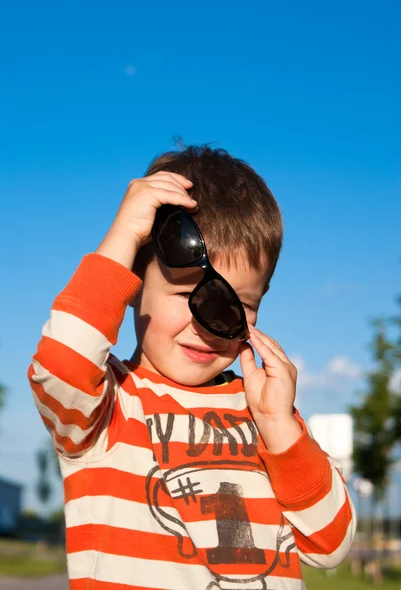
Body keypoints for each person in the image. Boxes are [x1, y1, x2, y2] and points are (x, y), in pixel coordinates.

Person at [28, 145, 356, 590]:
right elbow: (60, 363)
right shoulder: (106, 410)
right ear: (133, 288)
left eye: (237, 306)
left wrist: (280, 427)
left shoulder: (266, 416)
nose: (209, 324)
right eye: (186, 296)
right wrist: (124, 237)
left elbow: (330, 546)